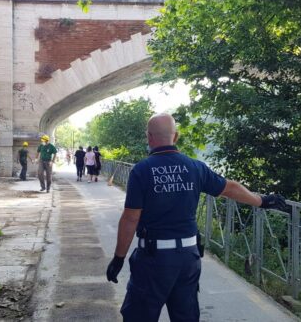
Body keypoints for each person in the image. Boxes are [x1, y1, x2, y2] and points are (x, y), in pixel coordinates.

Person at [105, 113, 287, 322]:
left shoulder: (141, 171)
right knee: (186, 316)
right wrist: (262, 201)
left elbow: (130, 219)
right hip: (188, 258)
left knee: (139, 316)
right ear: (176, 137)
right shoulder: (195, 167)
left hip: (153, 260)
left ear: (149, 137)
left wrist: (119, 258)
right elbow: (229, 188)